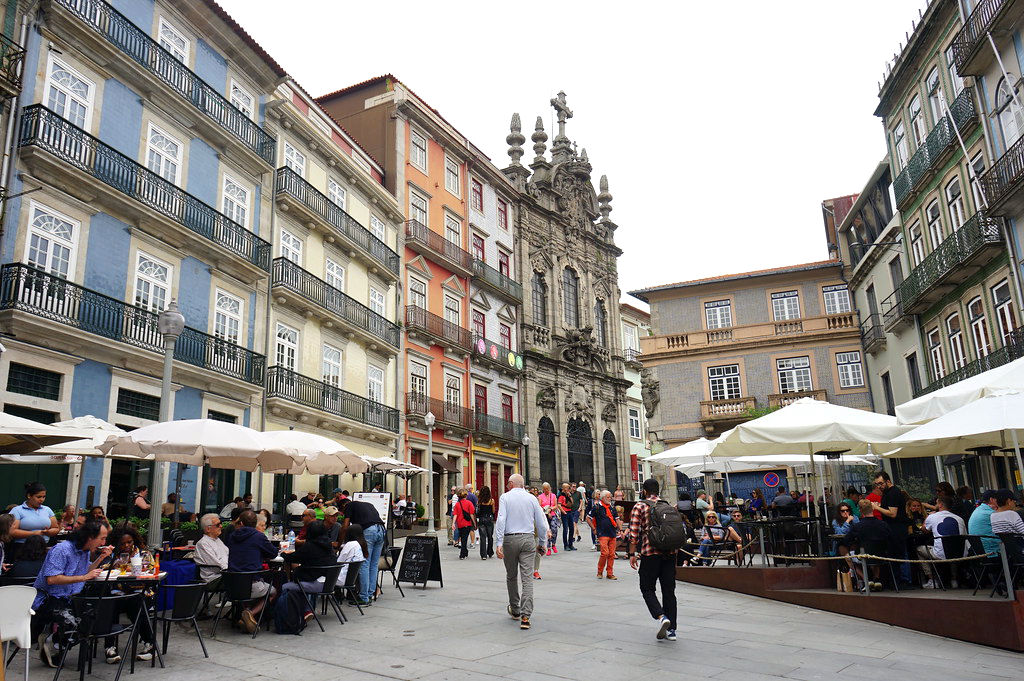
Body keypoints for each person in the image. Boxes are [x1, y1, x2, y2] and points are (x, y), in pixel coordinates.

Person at [32, 520, 129, 668]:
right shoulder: (62, 550)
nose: (104, 542)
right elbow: (52, 579)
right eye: (102, 538)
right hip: (49, 598)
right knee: (80, 623)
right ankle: (54, 642)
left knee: (97, 616)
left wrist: (101, 558)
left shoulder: (84, 551)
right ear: (90, 537)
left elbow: (85, 571)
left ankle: (56, 642)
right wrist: (84, 578)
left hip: (72, 596)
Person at [495, 473, 548, 631]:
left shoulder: (505, 497)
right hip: (528, 539)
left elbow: (501, 519)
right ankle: (526, 616)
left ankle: (515, 609)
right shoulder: (532, 498)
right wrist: (543, 543)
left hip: (510, 539)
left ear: (511, 484)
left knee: (511, 576)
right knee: (527, 579)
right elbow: (541, 522)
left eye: (507, 483)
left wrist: (499, 543)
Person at [628, 478, 678, 642]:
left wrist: (632, 554)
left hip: (650, 554)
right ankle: (672, 631)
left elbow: (634, 533)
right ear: (658, 491)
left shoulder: (640, 505)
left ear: (644, 491)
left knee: (647, 588)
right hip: (670, 553)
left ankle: (661, 616)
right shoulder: (667, 505)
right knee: (669, 591)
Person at [225, 510, 279, 633]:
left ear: (241, 522)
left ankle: (244, 616)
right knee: (273, 591)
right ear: (255, 523)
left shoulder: (233, 536)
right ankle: (250, 613)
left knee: (248, 589)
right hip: (252, 584)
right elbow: (273, 553)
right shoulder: (258, 536)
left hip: (231, 585)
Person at [281, 520, 335, 622]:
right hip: (328, 583)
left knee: (285, 587)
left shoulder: (309, 546)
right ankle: (307, 610)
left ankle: (284, 615)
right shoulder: (329, 545)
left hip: (314, 583)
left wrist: (283, 554)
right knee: (300, 584)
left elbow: (292, 558)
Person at [839, 499, 897, 591]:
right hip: (882, 554)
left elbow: (846, 540)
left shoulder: (857, 526)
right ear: (873, 509)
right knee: (875, 553)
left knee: (848, 557)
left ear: (860, 511)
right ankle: (877, 579)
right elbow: (891, 538)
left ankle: (867, 580)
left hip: (863, 554)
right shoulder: (883, 524)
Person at [872, 471, 913, 587]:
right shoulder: (887, 493)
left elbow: (892, 513)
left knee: (900, 554)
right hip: (891, 528)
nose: (879, 487)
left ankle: (904, 581)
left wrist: (876, 508)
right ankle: (897, 580)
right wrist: (881, 506)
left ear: (888, 481)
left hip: (897, 529)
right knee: (896, 554)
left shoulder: (893, 493)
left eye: (881, 483)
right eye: (877, 484)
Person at [917, 496, 966, 589]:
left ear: (940, 504)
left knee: (919, 549)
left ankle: (931, 580)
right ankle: (954, 579)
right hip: (961, 553)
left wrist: (927, 517)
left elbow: (924, 529)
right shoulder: (959, 518)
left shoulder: (932, 516)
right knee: (952, 552)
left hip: (941, 554)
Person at [343, 495, 385, 605]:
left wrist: (341, 542)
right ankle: (371, 593)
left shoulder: (348, 506)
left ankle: (364, 597)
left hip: (369, 530)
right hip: (381, 529)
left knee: (364, 563)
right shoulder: (368, 505)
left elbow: (345, 526)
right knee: (374, 564)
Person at [10, 482, 59, 554]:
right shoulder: (17, 510)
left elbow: (56, 528)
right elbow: (12, 531)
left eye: (44, 497)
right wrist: (34, 533)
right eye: (38, 497)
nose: (42, 500)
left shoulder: (47, 509)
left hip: (43, 546)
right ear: (29, 496)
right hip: (23, 547)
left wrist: (49, 532)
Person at [588, 490, 619, 579]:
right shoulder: (597, 507)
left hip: (612, 533)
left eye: (610, 497)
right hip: (602, 533)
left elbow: (617, 519)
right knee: (605, 553)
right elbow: (588, 518)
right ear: (602, 498)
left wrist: (620, 530)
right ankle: (600, 571)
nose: (610, 499)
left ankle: (610, 573)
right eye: (608, 497)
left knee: (611, 554)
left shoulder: (612, 508)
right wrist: (593, 528)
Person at [194, 513, 228, 588]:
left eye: (220, 524)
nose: (221, 526)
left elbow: (228, 555)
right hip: (214, 578)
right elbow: (215, 564)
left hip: (224, 574)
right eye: (218, 525)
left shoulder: (217, 540)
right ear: (208, 529)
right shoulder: (203, 544)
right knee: (242, 579)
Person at [968, 490, 1000, 558]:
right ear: (992, 500)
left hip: (980, 553)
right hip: (993, 551)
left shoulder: (978, 510)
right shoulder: (991, 514)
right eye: (998, 499)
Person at [452, 488, 476, 560]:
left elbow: (455, 514)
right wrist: (474, 523)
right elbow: (471, 514)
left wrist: (453, 523)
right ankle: (462, 554)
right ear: (466, 496)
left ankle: (465, 551)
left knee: (463, 538)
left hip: (460, 524)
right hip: (467, 523)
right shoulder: (469, 503)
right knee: (464, 539)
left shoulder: (457, 504)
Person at [537, 483, 559, 558]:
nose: (546, 490)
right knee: (547, 531)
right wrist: (545, 511)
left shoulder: (553, 496)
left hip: (552, 514)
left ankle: (553, 544)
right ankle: (548, 547)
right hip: (544, 516)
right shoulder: (540, 497)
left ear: (550, 488)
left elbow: (556, 506)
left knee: (554, 529)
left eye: (547, 488)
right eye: (545, 489)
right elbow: (539, 507)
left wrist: (550, 509)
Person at [476, 486, 495, 560]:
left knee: (483, 537)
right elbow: (493, 511)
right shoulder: (491, 501)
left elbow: (478, 510)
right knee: (490, 536)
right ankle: (490, 552)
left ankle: (483, 555)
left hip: (481, 519)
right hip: (489, 519)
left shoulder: (479, 500)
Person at [557, 483, 576, 551]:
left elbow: (572, 502)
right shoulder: (561, 496)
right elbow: (559, 505)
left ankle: (570, 544)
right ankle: (566, 545)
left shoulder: (568, 495)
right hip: (565, 513)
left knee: (572, 528)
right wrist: (563, 512)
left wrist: (570, 496)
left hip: (570, 511)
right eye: (568, 488)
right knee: (565, 529)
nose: (569, 489)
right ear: (564, 488)